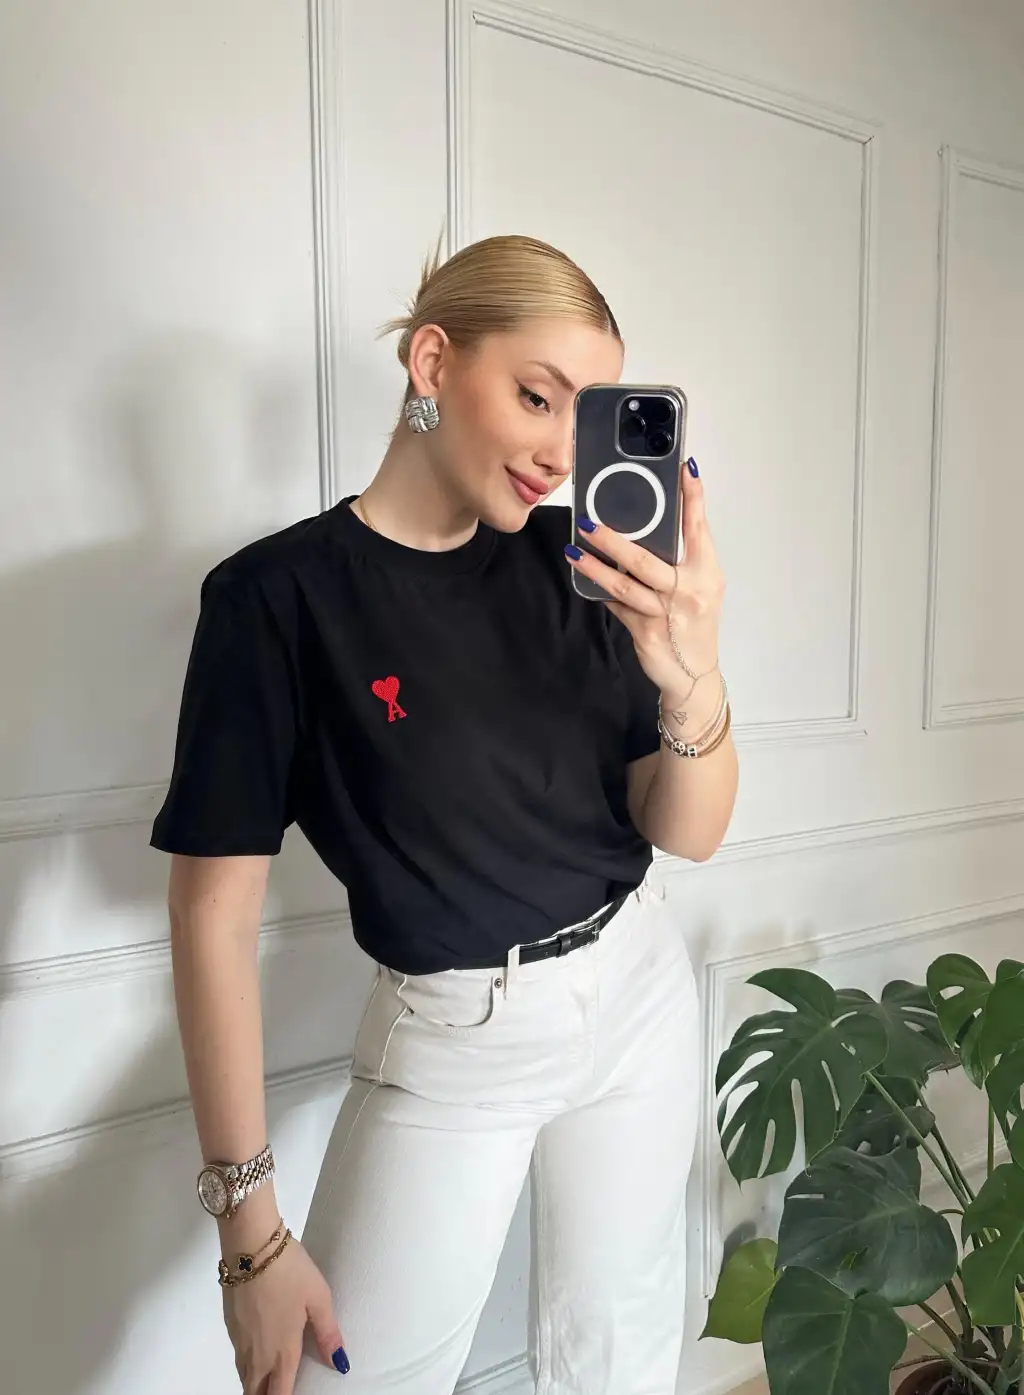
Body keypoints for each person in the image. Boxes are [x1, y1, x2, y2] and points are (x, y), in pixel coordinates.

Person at [152, 233, 737, 1395]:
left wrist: (693, 675)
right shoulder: (276, 599)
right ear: (431, 362)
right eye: (536, 397)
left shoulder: (579, 565)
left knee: (620, 1361)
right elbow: (212, 916)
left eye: (585, 415)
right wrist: (249, 1234)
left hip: (639, 995)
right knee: (351, 1378)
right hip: (458, 1041)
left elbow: (687, 828)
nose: (559, 454)